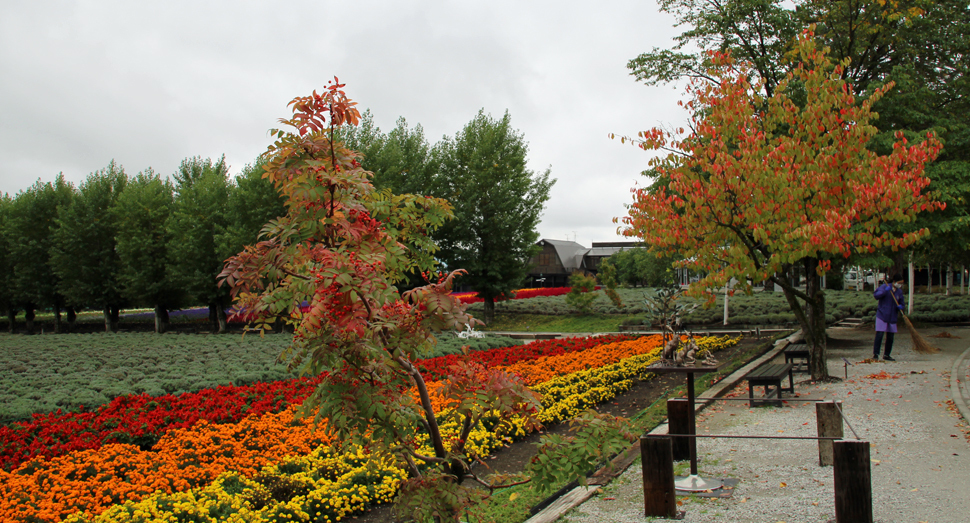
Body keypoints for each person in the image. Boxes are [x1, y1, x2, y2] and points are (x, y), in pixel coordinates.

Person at [873, 276, 905, 361]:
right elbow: (876, 296)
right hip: (882, 315)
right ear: (895, 281)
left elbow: (902, 302)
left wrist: (901, 307)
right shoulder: (884, 287)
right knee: (879, 335)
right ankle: (876, 354)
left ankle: (887, 354)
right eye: (899, 283)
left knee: (890, 337)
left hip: (892, 316)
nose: (900, 285)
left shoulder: (899, 292)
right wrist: (884, 291)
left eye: (902, 283)